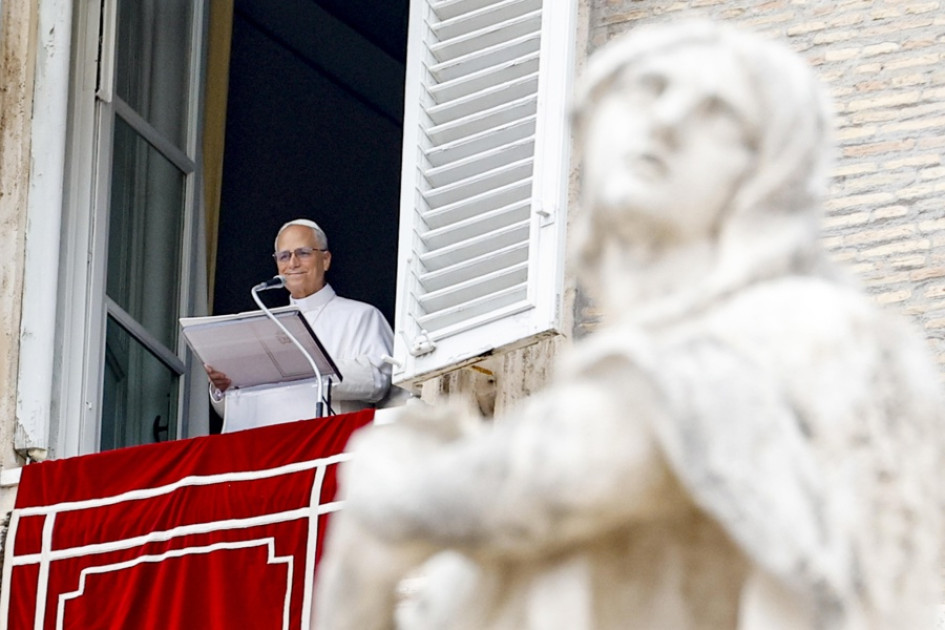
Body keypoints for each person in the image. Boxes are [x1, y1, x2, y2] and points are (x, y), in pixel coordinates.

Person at [313, 20, 945, 630]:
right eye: (647, 91)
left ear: (766, 173)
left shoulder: (787, 328)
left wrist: (395, 490)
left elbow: (567, 471)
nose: (667, 122)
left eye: (717, 112)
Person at [206, 219, 393, 429]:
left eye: (303, 253)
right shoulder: (262, 327)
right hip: (271, 448)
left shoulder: (361, 315)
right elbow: (237, 412)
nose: (293, 263)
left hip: (330, 446)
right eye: (284, 256)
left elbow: (378, 381)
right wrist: (224, 388)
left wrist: (307, 368)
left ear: (325, 259)